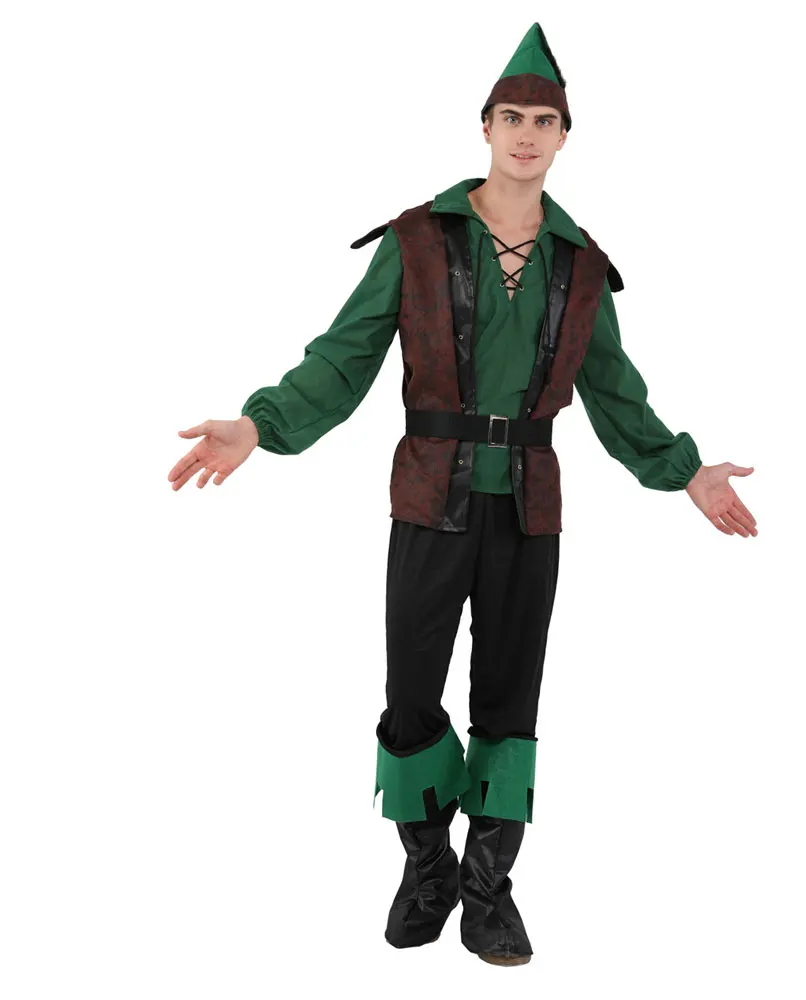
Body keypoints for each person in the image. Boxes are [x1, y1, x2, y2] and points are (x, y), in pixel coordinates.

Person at [166, 22, 757, 967]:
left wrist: (684, 469)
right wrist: (260, 425)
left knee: (510, 700)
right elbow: (344, 357)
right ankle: (427, 866)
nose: (527, 134)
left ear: (565, 137)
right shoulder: (418, 239)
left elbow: (615, 392)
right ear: (485, 126)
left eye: (544, 121)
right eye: (511, 117)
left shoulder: (580, 264)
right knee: (410, 697)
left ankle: (488, 890)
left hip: (529, 507)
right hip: (428, 498)